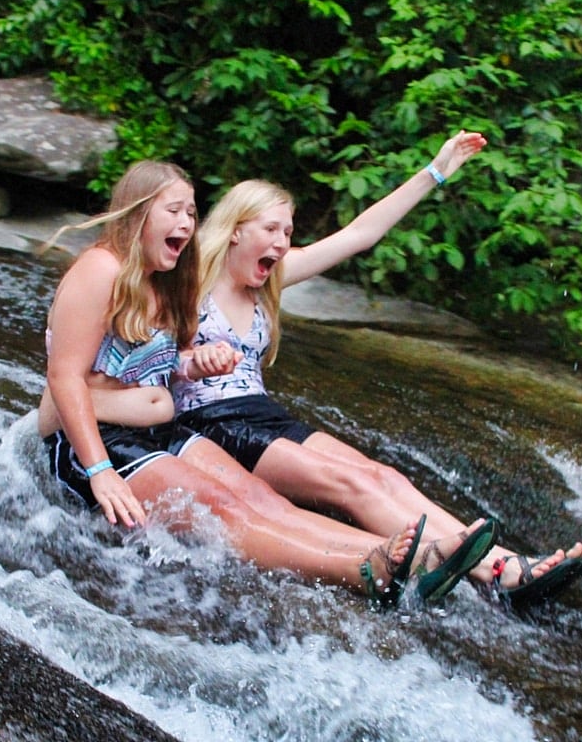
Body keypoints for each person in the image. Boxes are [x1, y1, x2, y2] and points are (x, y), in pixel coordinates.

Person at [36, 159, 498, 607]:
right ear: (138, 213)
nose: (186, 223)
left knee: (262, 498)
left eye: (192, 213)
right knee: (222, 505)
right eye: (173, 210)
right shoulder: (101, 269)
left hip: (161, 428)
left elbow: (144, 363)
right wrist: (100, 473)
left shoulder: (163, 282)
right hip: (99, 442)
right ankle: (365, 568)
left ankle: (409, 557)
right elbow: (63, 376)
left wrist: (192, 363)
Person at [172, 133, 582, 607]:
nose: (281, 242)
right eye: (271, 229)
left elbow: (359, 235)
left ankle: (504, 563)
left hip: (262, 412)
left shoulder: (271, 280)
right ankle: (487, 570)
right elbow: (142, 359)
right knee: (351, 484)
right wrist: (191, 361)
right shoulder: (189, 281)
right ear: (236, 229)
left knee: (384, 477)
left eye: (288, 233)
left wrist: (435, 171)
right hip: (212, 421)